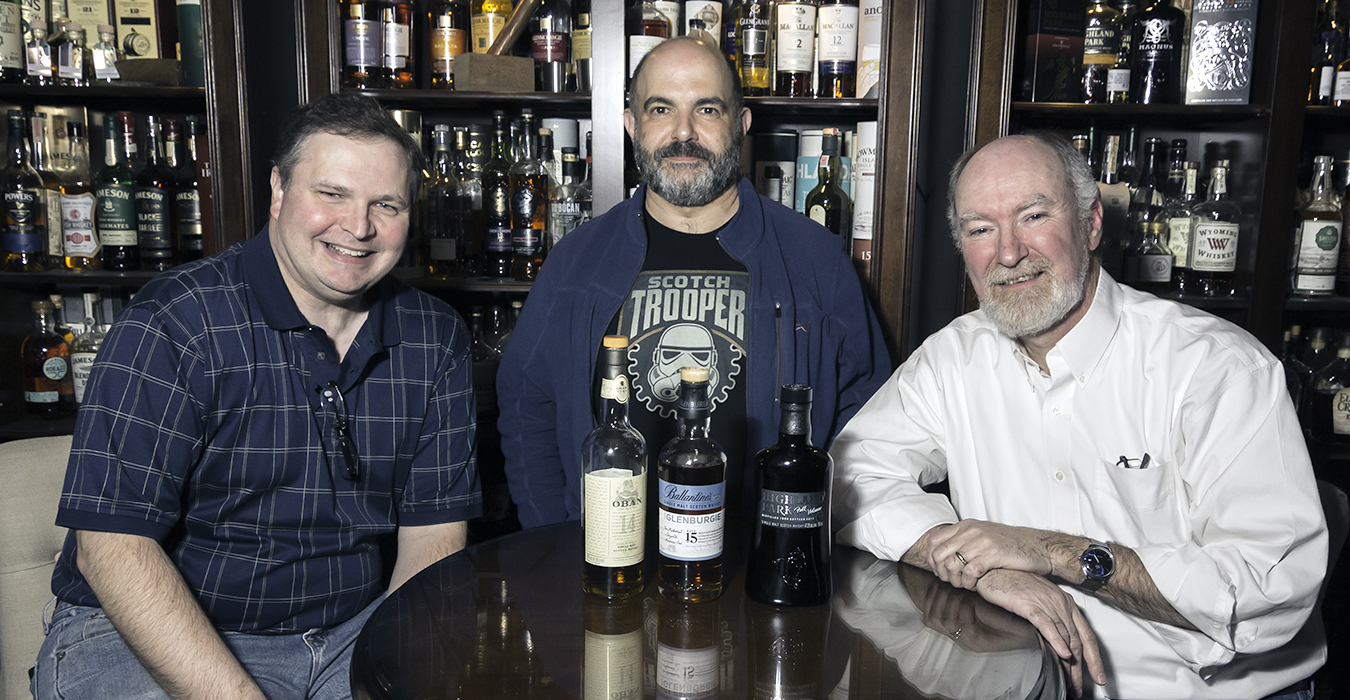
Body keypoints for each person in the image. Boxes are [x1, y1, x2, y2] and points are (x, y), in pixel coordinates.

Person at [830, 133, 1327, 699]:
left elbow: (1268, 588)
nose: (1009, 252)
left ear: (1092, 224)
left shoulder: (1217, 368)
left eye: (1033, 215)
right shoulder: (953, 358)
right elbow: (848, 476)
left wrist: (1050, 553)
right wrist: (977, 561)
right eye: (980, 229)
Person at [33, 94, 481, 700]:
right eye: (331, 194)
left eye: (386, 204)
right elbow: (111, 549)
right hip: (147, 633)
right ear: (278, 190)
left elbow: (432, 541)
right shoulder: (174, 320)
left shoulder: (434, 335)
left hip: (352, 629)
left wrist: (395, 676)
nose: (359, 226)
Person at [497, 36, 890, 527]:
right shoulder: (576, 261)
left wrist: (810, 535)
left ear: (741, 125)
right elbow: (526, 406)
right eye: (661, 109)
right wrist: (553, 537)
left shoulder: (815, 257)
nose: (683, 132)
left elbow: (869, 416)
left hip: (761, 564)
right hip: (610, 561)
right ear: (631, 125)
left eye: (707, 109)